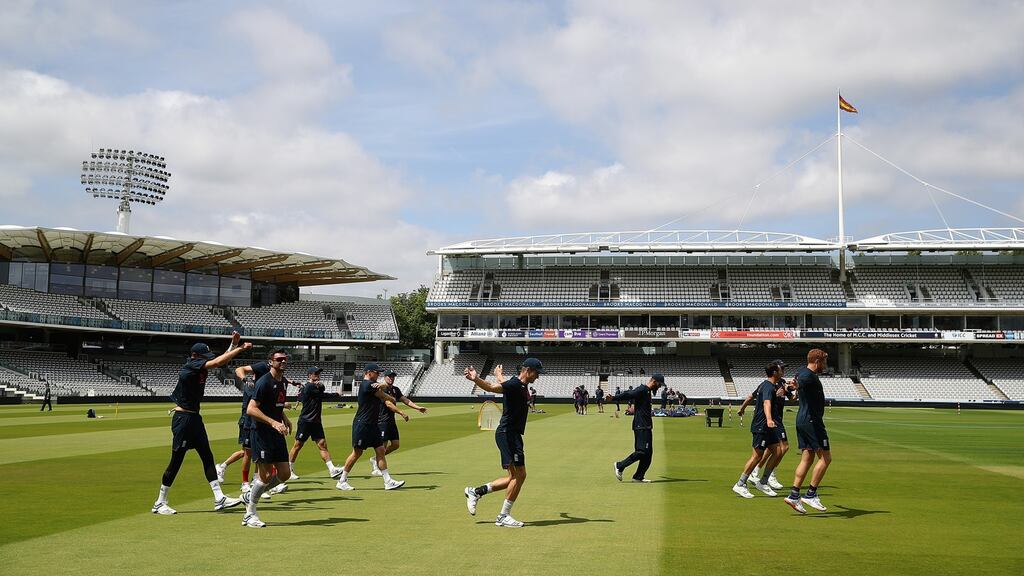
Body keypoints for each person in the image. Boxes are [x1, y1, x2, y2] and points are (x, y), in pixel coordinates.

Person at [151, 333, 250, 516]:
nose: (207, 360)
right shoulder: (191, 365)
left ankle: (219, 497)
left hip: (194, 418)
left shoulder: (199, 366)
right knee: (176, 461)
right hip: (184, 420)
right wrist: (238, 349)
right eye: (205, 357)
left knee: (207, 456)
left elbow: (218, 361)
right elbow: (217, 363)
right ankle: (160, 502)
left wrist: (231, 345)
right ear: (196, 356)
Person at [463, 359, 544, 528]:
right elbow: (493, 388)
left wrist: (499, 374)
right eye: (537, 372)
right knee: (520, 475)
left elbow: (502, 383)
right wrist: (476, 379)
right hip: (508, 433)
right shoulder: (515, 384)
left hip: (511, 434)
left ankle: (476, 492)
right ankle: (503, 516)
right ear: (528, 370)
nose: (538, 376)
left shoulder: (517, 385)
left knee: (513, 477)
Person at [241, 348, 293, 528]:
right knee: (265, 476)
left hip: (276, 431)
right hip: (262, 433)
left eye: (285, 359)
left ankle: (251, 495)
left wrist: (284, 418)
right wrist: (273, 422)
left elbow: (276, 405)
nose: (283, 362)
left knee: (285, 474)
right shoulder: (264, 382)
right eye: (279, 359)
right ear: (270, 362)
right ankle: (249, 513)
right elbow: (251, 409)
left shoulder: (283, 382)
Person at [334, 363, 404, 491]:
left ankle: (388, 481)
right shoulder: (366, 385)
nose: (378, 375)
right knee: (357, 453)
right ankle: (342, 480)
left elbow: (383, 394)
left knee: (380, 451)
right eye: (376, 373)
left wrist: (387, 393)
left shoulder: (373, 386)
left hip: (373, 424)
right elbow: (383, 392)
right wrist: (387, 391)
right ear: (369, 372)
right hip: (363, 424)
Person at [784, 349, 832, 514]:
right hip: (812, 421)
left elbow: (796, 382)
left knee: (807, 458)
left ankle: (794, 494)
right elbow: (795, 384)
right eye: (824, 362)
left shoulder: (802, 372)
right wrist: (792, 386)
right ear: (817, 361)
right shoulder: (807, 376)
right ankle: (811, 494)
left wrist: (793, 385)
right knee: (826, 458)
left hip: (803, 420)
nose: (825, 365)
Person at [731, 361, 787, 498]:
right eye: (781, 369)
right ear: (775, 372)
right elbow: (766, 402)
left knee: (778, 451)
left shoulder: (768, 385)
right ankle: (740, 484)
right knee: (757, 456)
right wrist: (769, 419)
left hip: (768, 427)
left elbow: (751, 397)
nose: (782, 371)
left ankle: (763, 481)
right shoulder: (768, 386)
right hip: (762, 426)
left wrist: (742, 409)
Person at [216, 356, 271, 495]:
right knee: (248, 452)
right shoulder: (252, 385)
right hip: (248, 421)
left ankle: (255, 480)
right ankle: (245, 483)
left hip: (258, 422)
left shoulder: (264, 384)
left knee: (256, 452)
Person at [288, 366, 344, 480]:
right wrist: (336, 394)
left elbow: (321, 390)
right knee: (298, 445)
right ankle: (289, 470)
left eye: (318, 373)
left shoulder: (315, 386)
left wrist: (321, 386)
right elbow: (322, 394)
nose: (317, 375)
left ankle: (332, 469)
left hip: (316, 421)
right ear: (309, 376)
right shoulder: (309, 387)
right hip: (306, 421)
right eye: (315, 373)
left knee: (322, 445)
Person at [369, 369, 428, 475]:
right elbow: (388, 404)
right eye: (389, 376)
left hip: (391, 421)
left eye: (393, 377)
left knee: (396, 445)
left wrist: (417, 408)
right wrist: (401, 413)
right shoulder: (382, 389)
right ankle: (377, 467)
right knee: (382, 446)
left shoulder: (395, 389)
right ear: (385, 377)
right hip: (382, 420)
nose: (391, 378)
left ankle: (375, 459)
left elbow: (405, 400)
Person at [608, 374, 664, 483]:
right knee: (642, 451)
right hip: (641, 425)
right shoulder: (642, 389)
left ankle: (638, 477)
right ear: (654, 381)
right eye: (659, 384)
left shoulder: (647, 392)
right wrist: (614, 398)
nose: (660, 387)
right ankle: (620, 465)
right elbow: (629, 394)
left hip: (646, 426)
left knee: (648, 454)